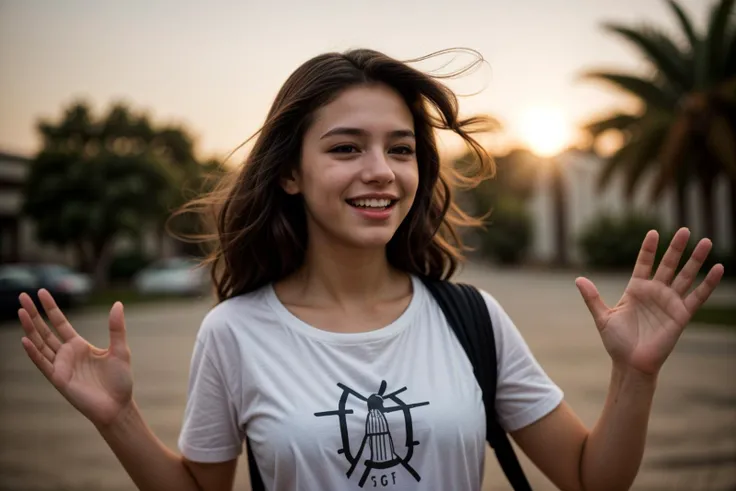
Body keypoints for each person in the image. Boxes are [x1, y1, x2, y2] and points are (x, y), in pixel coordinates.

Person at [17, 48, 724, 491]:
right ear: (290, 173)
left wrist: (635, 374)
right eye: (347, 148)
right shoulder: (235, 332)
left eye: (402, 148)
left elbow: (587, 476)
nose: (381, 172)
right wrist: (119, 419)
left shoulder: (472, 319)